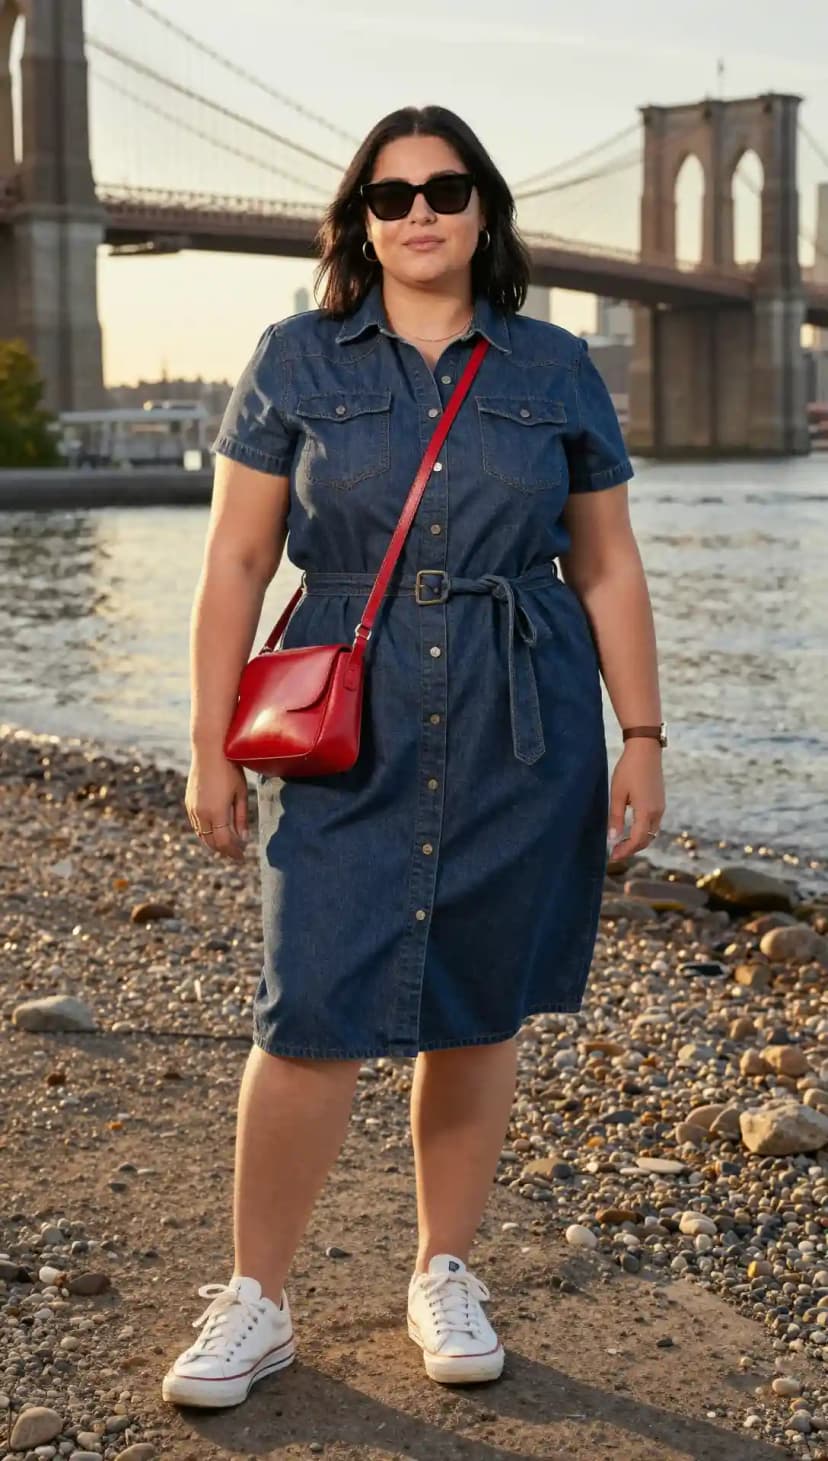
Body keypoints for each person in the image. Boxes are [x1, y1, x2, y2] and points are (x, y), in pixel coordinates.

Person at [163, 103, 665, 1408]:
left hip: (524, 719)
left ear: (485, 210)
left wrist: (645, 737)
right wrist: (211, 744)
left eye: (446, 189)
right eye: (392, 197)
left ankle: (444, 1265)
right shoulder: (291, 357)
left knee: (477, 1008)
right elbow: (234, 562)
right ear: (362, 222)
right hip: (343, 728)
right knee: (308, 1002)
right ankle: (258, 1296)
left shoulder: (554, 368)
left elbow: (605, 566)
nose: (421, 211)